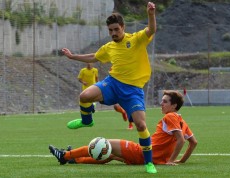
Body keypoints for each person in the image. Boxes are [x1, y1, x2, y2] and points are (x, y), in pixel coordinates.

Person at [61, 2, 157, 173]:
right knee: (84, 96)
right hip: (112, 84)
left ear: (123, 27)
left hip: (133, 90)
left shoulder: (135, 39)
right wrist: (73, 56)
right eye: (110, 31)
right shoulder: (109, 47)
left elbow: (151, 30)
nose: (113, 33)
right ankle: (86, 121)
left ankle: (148, 162)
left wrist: (150, 14)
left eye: (116, 30)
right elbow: (94, 57)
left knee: (141, 125)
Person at [49, 90, 198, 166]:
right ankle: (75, 159)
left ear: (174, 106)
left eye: (165, 102)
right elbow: (193, 142)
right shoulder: (181, 121)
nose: (161, 103)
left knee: (103, 143)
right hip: (149, 158)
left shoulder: (170, 117)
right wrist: (181, 161)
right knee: (111, 154)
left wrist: (172, 160)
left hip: (142, 153)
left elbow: (181, 141)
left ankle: (65, 156)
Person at [78, 63, 133, 129]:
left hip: (126, 88)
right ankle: (123, 112)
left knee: (130, 107)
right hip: (111, 88)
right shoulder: (115, 66)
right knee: (116, 106)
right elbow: (110, 78)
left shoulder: (130, 67)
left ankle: (130, 123)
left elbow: (96, 78)